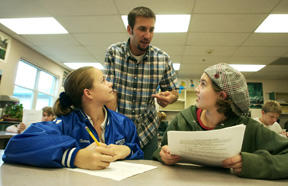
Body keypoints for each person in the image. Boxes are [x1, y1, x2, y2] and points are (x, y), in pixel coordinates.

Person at [153, 63, 288, 179]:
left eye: (203, 84)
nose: (196, 89)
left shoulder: (248, 128)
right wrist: (163, 155)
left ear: (221, 96)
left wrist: (252, 163)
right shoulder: (182, 120)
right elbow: (160, 151)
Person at [3, 67, 143, 169]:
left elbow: (139, 153)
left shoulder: (125, 123)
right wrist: (75, 156)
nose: (110, 83)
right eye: (103, 80)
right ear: (88, 93)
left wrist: (128, 150)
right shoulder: (65, 123)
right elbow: (15, 147)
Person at [104, 6, 178, 159]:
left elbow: (173, 92)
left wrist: (169, 98)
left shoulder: (162, 58)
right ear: (129, 29)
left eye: (151, 30)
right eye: (142, 29)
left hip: (148, 130)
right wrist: (112, 126)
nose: (148, 35)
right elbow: (110, 93)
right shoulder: (114, 52)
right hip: (119, 128)